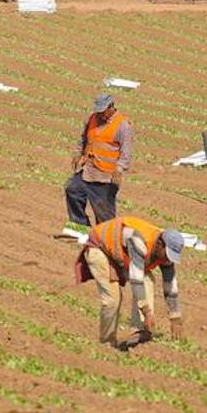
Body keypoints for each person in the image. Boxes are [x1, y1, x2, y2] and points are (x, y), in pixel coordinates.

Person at [76, 215, 185, 349]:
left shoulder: (163, 251)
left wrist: (175, 316)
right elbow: (136, 279)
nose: (168, 259)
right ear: (160, 245)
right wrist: (147, 311)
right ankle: (106, 343)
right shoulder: (139, 242)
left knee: (148, 280)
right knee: (113, 299)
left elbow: (170, 283)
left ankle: (139, 331)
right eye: (167, 254)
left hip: (120, 253)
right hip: (99, 248)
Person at [65, 94, 133, 228]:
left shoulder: (123, 126)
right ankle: (81, 227)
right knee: (72, 190)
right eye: (98, 111)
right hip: (87, 170)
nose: (101, 115)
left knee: (104, 214)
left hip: (105, 177)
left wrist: (119, 169)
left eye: (103, 111)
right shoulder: (92, 119)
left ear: (111, 107)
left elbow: (126, 152)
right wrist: (78, 154)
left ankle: (105, 240)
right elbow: (84, 139)